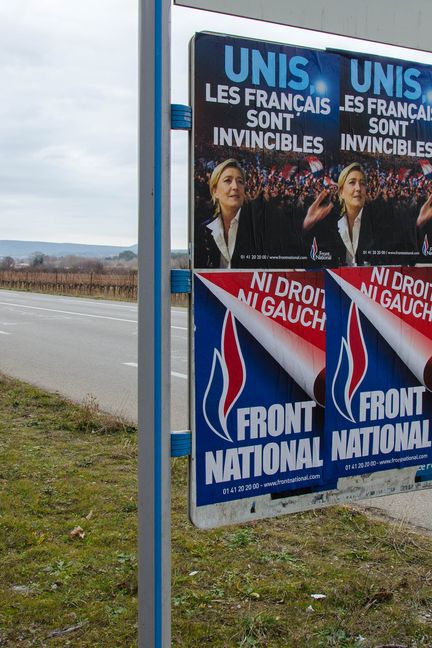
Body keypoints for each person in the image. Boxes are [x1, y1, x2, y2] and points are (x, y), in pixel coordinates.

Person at [302, 162, 432, 267]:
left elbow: (404, 246)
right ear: (341, 191)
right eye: (352, 182)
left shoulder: (380, 221)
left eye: (362, 183)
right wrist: (306, 225)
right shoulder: (327, 222)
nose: (358, 188)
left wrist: (419, 222)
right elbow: (301, 254)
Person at [194, 158, 267, 269]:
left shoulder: (259, 228)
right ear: (215, 191)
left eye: (240, 181)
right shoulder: (203, 230)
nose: (235, 187)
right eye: (228, 180)